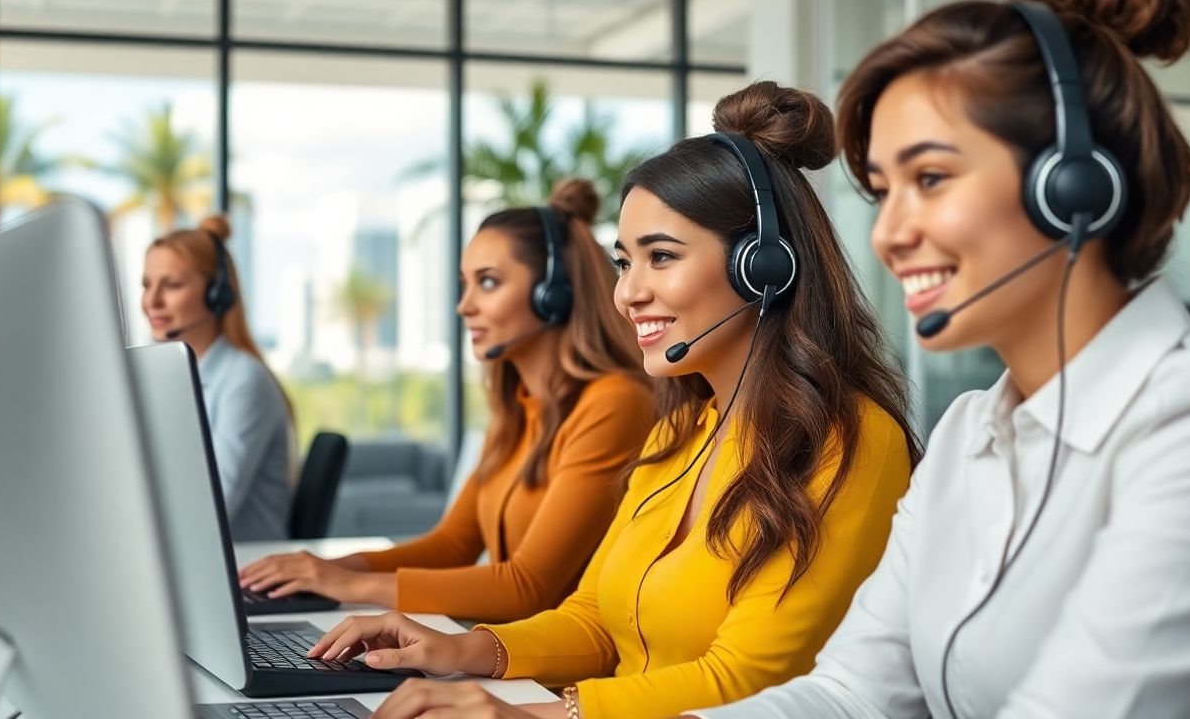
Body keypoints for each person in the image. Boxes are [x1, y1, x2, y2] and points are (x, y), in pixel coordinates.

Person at [689, 0, 1190, 718]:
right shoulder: (968, 435)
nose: (888, 235)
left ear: (1074, 184)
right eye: (882, 191)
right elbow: (851, 694)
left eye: (930, 178)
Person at [306, 81, 920, 719]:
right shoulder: (679, 431)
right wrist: (463, 650)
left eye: (661, 257)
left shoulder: (847, 441)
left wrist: (536, 715)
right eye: (625, 262)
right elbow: (596, 618)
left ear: (762, 268)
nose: (628, 293)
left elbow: (749, 683)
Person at [238, 179, 655, 622]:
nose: (464, 306)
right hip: (497, 654)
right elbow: (452, 545)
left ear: (553, 295)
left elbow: (527, 587)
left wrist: (349, 586)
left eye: (488, 283)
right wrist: (321, 570)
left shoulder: (614, 404)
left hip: (557, 676)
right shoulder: (519, 407)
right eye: (464, 284)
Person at [143, 215, 293, 541]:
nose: (151, 301)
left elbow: (213, 507)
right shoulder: (169, 380)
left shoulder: (243, 381)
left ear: (217, 294)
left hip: (244, 568)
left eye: (171, 285)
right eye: (146, 285)